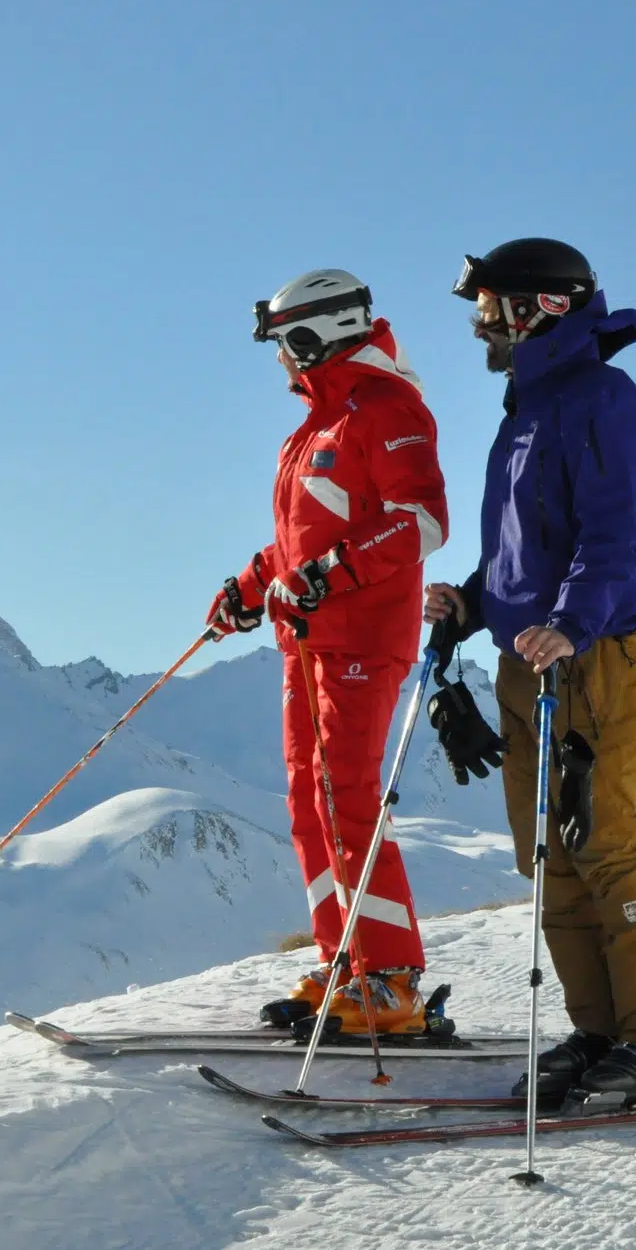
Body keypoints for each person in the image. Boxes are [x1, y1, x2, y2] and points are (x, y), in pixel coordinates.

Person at [425, 237, 636, 1110]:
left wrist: (572, 620)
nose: (479, 329)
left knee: (606, 845)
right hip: (527, 659)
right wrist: (472, 604)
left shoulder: (603, 399)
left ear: (536, 307)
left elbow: (613, 533)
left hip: (596, 654)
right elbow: (518, 550)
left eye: (488, 311)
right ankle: (600, 1030)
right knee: (548, 856)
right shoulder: (526, 410)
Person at [208, 268, 449, 1034]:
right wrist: (252, 585)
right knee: (311, 804)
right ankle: (345, 957)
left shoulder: (387, 409)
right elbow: (300, 541)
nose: (279, 359)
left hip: (362, 636)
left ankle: (393, 980)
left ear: (315, 334)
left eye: (284, 342)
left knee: (347, 798)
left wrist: (329, 575)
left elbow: (422, 521)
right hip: (306, 639)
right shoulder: (315, 426)